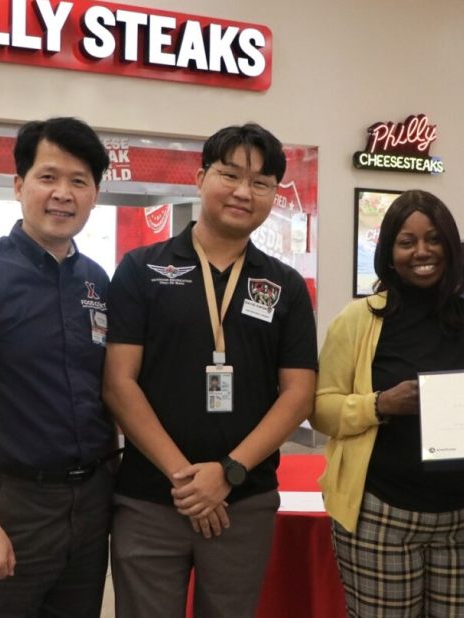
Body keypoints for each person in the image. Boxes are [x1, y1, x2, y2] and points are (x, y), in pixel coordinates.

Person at [104, 123, 318, 616]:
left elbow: (298, 395)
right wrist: (188, 479)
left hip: (243, 502)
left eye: (261, 183)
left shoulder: (284, 285)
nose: (244, 192)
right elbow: (118, 383)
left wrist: (228, 473)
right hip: (152, 499)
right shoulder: (142, 268)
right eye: (230, 175)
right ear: (201, 177)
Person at [0, 117, 116, 617]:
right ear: (19, 186)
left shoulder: (96, 281)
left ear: (95, 194)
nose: (63, 193)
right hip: (14, 504)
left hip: (92, 498)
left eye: (79, 181)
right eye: (48, 177)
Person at [311, 190, 464, 617]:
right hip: (380, 516)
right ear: (389, 251)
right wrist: (380, 404)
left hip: (463, 518)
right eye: (407, 241)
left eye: (434, 239)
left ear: (451, 247)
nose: (422, 251)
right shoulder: (358, 321)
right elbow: (321, 410)